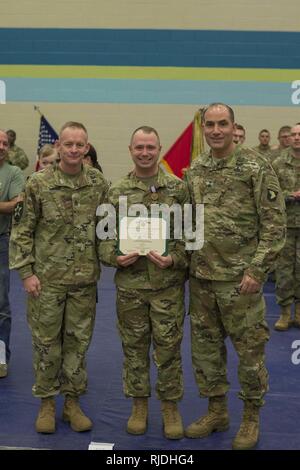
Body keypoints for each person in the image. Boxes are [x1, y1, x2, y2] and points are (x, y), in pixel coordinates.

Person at [184, 103, 286, 450]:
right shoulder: (196, 168)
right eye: (209, 124)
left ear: (233, 127)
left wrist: (257, 270)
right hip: (202, 279)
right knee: (206, 353)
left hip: (241, 282)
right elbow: (191, 222)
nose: (215, 130)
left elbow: (275, 224)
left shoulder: (255, 166)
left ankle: (250, 418)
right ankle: (216, 412)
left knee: (249, 355)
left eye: (222, 124)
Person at [9, 122, 108, 433]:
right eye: (69, 144)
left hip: (83, 283)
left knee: (77, 345)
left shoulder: (98, 184)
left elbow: (107, 231)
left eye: (80, 145)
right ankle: (47, 404)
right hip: (46, 283)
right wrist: (26, 273)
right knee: (46, 345)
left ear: (87, 147)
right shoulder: (38, 183)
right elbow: (22, 231)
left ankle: (72, 404)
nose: (75, 150)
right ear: (59, 146)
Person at [99, 126, 189, 439]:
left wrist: (173, 259)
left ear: (159, 148)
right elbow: (103, 240)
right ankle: (139, 405)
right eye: (140, 147)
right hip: (131, 287)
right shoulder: (117, 190)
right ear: (130, 149)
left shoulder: (178, 189)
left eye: (151, 147)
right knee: (134, 348)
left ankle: (170, 407)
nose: (145, 153)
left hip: (167, 286)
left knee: (169, 349)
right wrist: (115, 257)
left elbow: (192, 237)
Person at [0, 130, 25, 378]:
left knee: (1, 304)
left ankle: (0, 358)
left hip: (0, 242)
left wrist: (6, 206)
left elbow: (16, 204)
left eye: (4, 143)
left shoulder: (13, 173)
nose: (1, 146)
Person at [273, 123, 300, 330]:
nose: (297, 138)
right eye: (293, 134)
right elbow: (270, 195)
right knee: (283, 271)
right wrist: (290, 195)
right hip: (286, 226)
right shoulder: (279, 163)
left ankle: (299, 312)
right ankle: (284, 312)